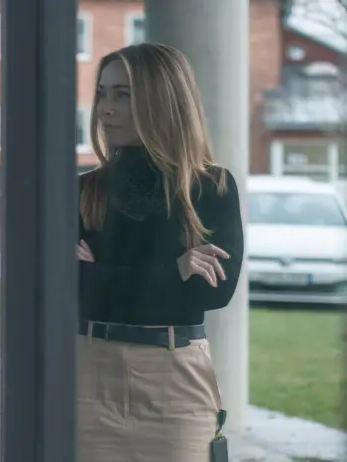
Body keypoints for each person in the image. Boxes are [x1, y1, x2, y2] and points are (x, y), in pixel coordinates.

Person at [76, 42, 243, 461]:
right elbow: (72, 291)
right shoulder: (85, 190)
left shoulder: (211, 188)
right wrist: (173, 271)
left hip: (176, 383)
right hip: (89, 376)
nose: (105, 108)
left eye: (122, 94)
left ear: (162, 100)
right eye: (102, 92)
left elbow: (212, 294)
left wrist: (104, 274)